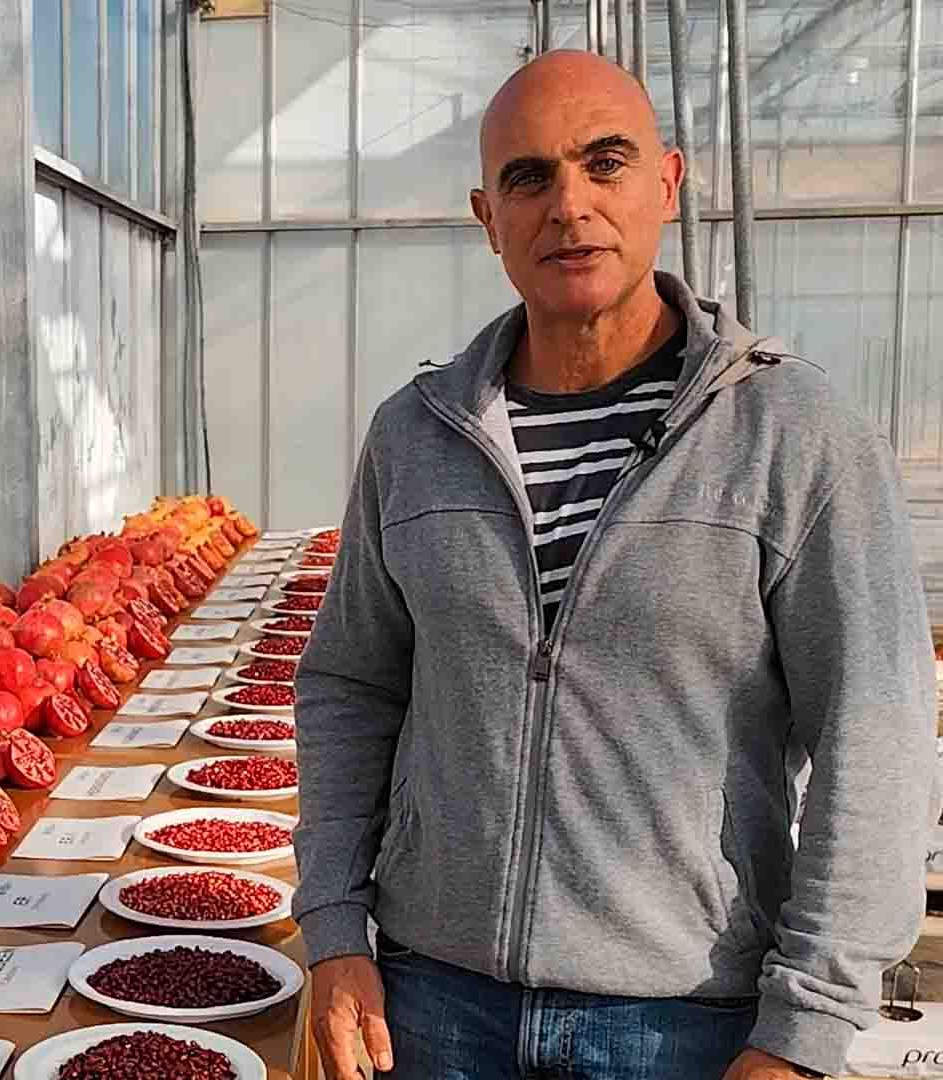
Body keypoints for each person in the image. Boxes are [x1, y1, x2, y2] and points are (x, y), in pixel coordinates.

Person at [292, 50, 936, 1080]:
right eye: (529, 177)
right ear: (486, 215)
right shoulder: (416, 435)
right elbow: (351, 687)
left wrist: (804, 1031)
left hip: (683, 1023)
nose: (570, 205)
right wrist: (332, 925)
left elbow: (877, 733)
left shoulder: (790, 435)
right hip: (434, 1005)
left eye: (606, 163)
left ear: (669, 183)